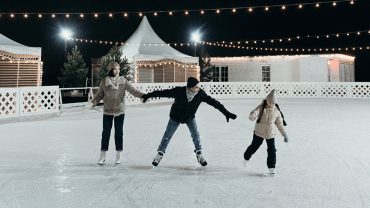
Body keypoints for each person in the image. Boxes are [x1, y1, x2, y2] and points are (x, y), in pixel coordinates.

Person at [141, 77, 237, 167]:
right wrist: (148, 95)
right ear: (190, 87)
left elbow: (214, 103)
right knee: (167, 135)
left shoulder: (200, 94)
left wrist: (226, 113)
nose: (198, 89)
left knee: (195, 134)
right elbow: (163, 93)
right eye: (196, 87)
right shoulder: (179, 91)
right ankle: (159, 154)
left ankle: (199, 154)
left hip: (189, 117)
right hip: (175, 116)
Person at [82, 61, 145, 165]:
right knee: (105, 133)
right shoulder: (104, 82)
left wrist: (143, 96)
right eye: (115, 69)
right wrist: (89, 105)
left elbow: (133, 90)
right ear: (111, 70)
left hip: (120, 111)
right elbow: (98, 97)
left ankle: (118, 154)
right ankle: (103, 154)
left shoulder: (123, 81)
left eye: (118, 69)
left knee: (118, 133)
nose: (117, 71)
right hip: (108, 111)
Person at [244, 89, 289, 175]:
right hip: (259, 132)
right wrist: (253, 114)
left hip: (270, 133)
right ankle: (246, 157)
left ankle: (272, 167)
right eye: (269, 102)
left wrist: (285, 134)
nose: (271, 104)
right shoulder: (261, 107)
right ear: (266, 100)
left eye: (273, 102)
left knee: (272, 150)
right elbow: (255, 111)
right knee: (254, 146)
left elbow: (280, 124)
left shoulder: (277, 111)